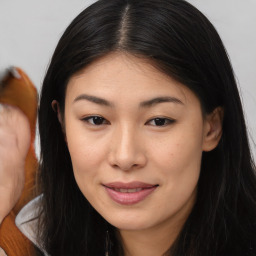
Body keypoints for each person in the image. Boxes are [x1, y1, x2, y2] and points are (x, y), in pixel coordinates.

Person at [1, 0, 256, 255]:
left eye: (159, 121)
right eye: (96, 119)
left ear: (211, 128)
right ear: (62, 124)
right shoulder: (21, 240)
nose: (125, 157)